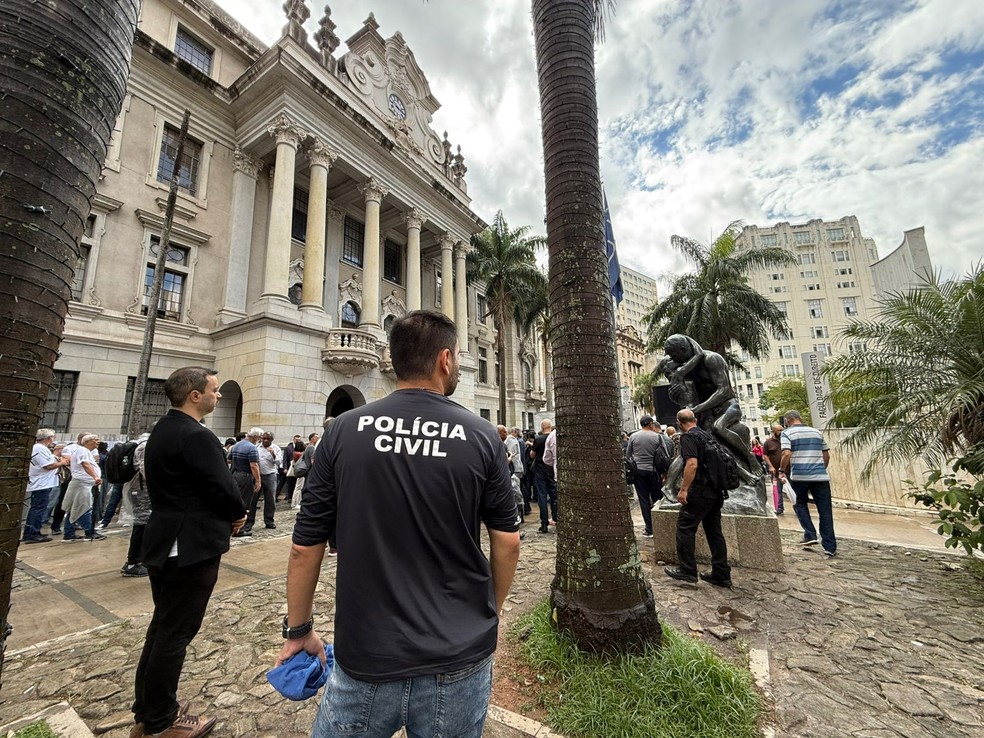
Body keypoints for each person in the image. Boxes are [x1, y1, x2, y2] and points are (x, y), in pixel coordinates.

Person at [279, 310, 520, 738]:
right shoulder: (482, 434)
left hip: (367, 653)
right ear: (446, 360)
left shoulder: (341, 430)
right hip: (458, 650)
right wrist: (490, 612)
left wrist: (298, 630)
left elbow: (305, 544)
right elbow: (507, 541)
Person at [131, 366, 247, 738]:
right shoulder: (196, 435)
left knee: (162, 628)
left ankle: (148, 709)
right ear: (194, 395)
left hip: (165, 539)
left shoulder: (163, 429)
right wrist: (238, 513)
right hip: (189, 545)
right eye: (214, 390)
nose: (218, 395)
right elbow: (222, 485)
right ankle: (162, 720)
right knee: (175, 633)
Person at [664, 409, 732, 588]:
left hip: (700, 491)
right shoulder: (707, 435)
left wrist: (684, 489)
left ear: (679, 422)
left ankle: (687, 570)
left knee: (685, 527)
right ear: (694, 420)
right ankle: (721, 573)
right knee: (715, 532)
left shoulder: (688, 438)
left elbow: (691, 464)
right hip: (716, 491)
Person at [780, 410, 836, 556]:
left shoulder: (787, 433)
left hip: (800, 476)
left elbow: (786, 453)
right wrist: (820, 468)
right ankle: (829, 546)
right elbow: (826, 454)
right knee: (825, 510)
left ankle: (810, 534)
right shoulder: (816, 432)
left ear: (787, 421)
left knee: (800, 504)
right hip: (820, 477)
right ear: (800, 418)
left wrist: (781, 470)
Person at [625, 416, 672, 538]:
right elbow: (664, 454)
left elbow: (628, 454)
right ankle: (660, 526)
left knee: (644, 500)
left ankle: (649, 529)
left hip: (639, 472)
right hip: (654, 471)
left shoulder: (634, 437)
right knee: (657, 497)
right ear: (651, 424)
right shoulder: (657, 437)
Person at [25, 428, 67, 543]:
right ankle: (33, 533)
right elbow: (47, 465)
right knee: (38, 509)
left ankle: (30, 532)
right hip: (41, 484)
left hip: (43, 483)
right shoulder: (39, 448)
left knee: (37, 508)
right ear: (49, 438)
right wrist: (62, 463)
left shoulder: (41, 448)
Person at [62, 434, 107, 542]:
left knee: (74, 508)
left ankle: (69, 533)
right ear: (87, 442)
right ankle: (89, 532)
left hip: (83, 483)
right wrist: (95, 476)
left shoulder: (85, 451)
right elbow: (85, 464)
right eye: (95, 440)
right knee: (84, 507)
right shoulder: (82, 451)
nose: (98, 442)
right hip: (82, 484)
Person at [121, 433, 152, 577]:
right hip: (142, 492)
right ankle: (134, 563)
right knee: (141, 526)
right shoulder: (145, 446)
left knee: (144, 526)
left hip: (141, 491)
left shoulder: (144, 444)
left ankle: (137, 560)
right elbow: (147, 471)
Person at [229, 428, 261, 537]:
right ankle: (240, 529)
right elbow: (254, 465)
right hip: (245, 476)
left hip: (235, 474)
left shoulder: (236, 445)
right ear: (256, 437)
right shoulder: (252, 448)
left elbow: (229, 459)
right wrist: (258, 480)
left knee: (236, 500)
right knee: (245, 502)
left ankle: (233, 525)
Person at [249, 431, 281, 531]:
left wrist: (273, 454)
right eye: (264, 438)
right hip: (257, 475)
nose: (266, 440)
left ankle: (269, 521)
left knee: (270, 499)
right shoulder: (256, 447)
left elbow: (279, 463)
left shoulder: (276, 448)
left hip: (270, 475)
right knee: (253, 499)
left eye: (268, 439)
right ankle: (249, 521)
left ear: (272, 440)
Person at [530, 419, 558, 533]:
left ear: (542, 427)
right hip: (551, 469)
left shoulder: (539, 439)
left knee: (541, 496)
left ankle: (544, 523)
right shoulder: (554, 437)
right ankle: (556, 518)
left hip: (540, 469)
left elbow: (533, 455)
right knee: (554, 495)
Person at [762, 424, 785, 514]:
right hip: (776, 471)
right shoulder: (768, 443)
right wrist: (770, 466)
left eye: (782, 430)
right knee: (778, 490)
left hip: (788, 469)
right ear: (774, 431)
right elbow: (765, 455)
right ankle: (780, 508)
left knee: (794, 489)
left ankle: (797, 507)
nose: (781, 432)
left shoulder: (786, 440)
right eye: (779, 430)